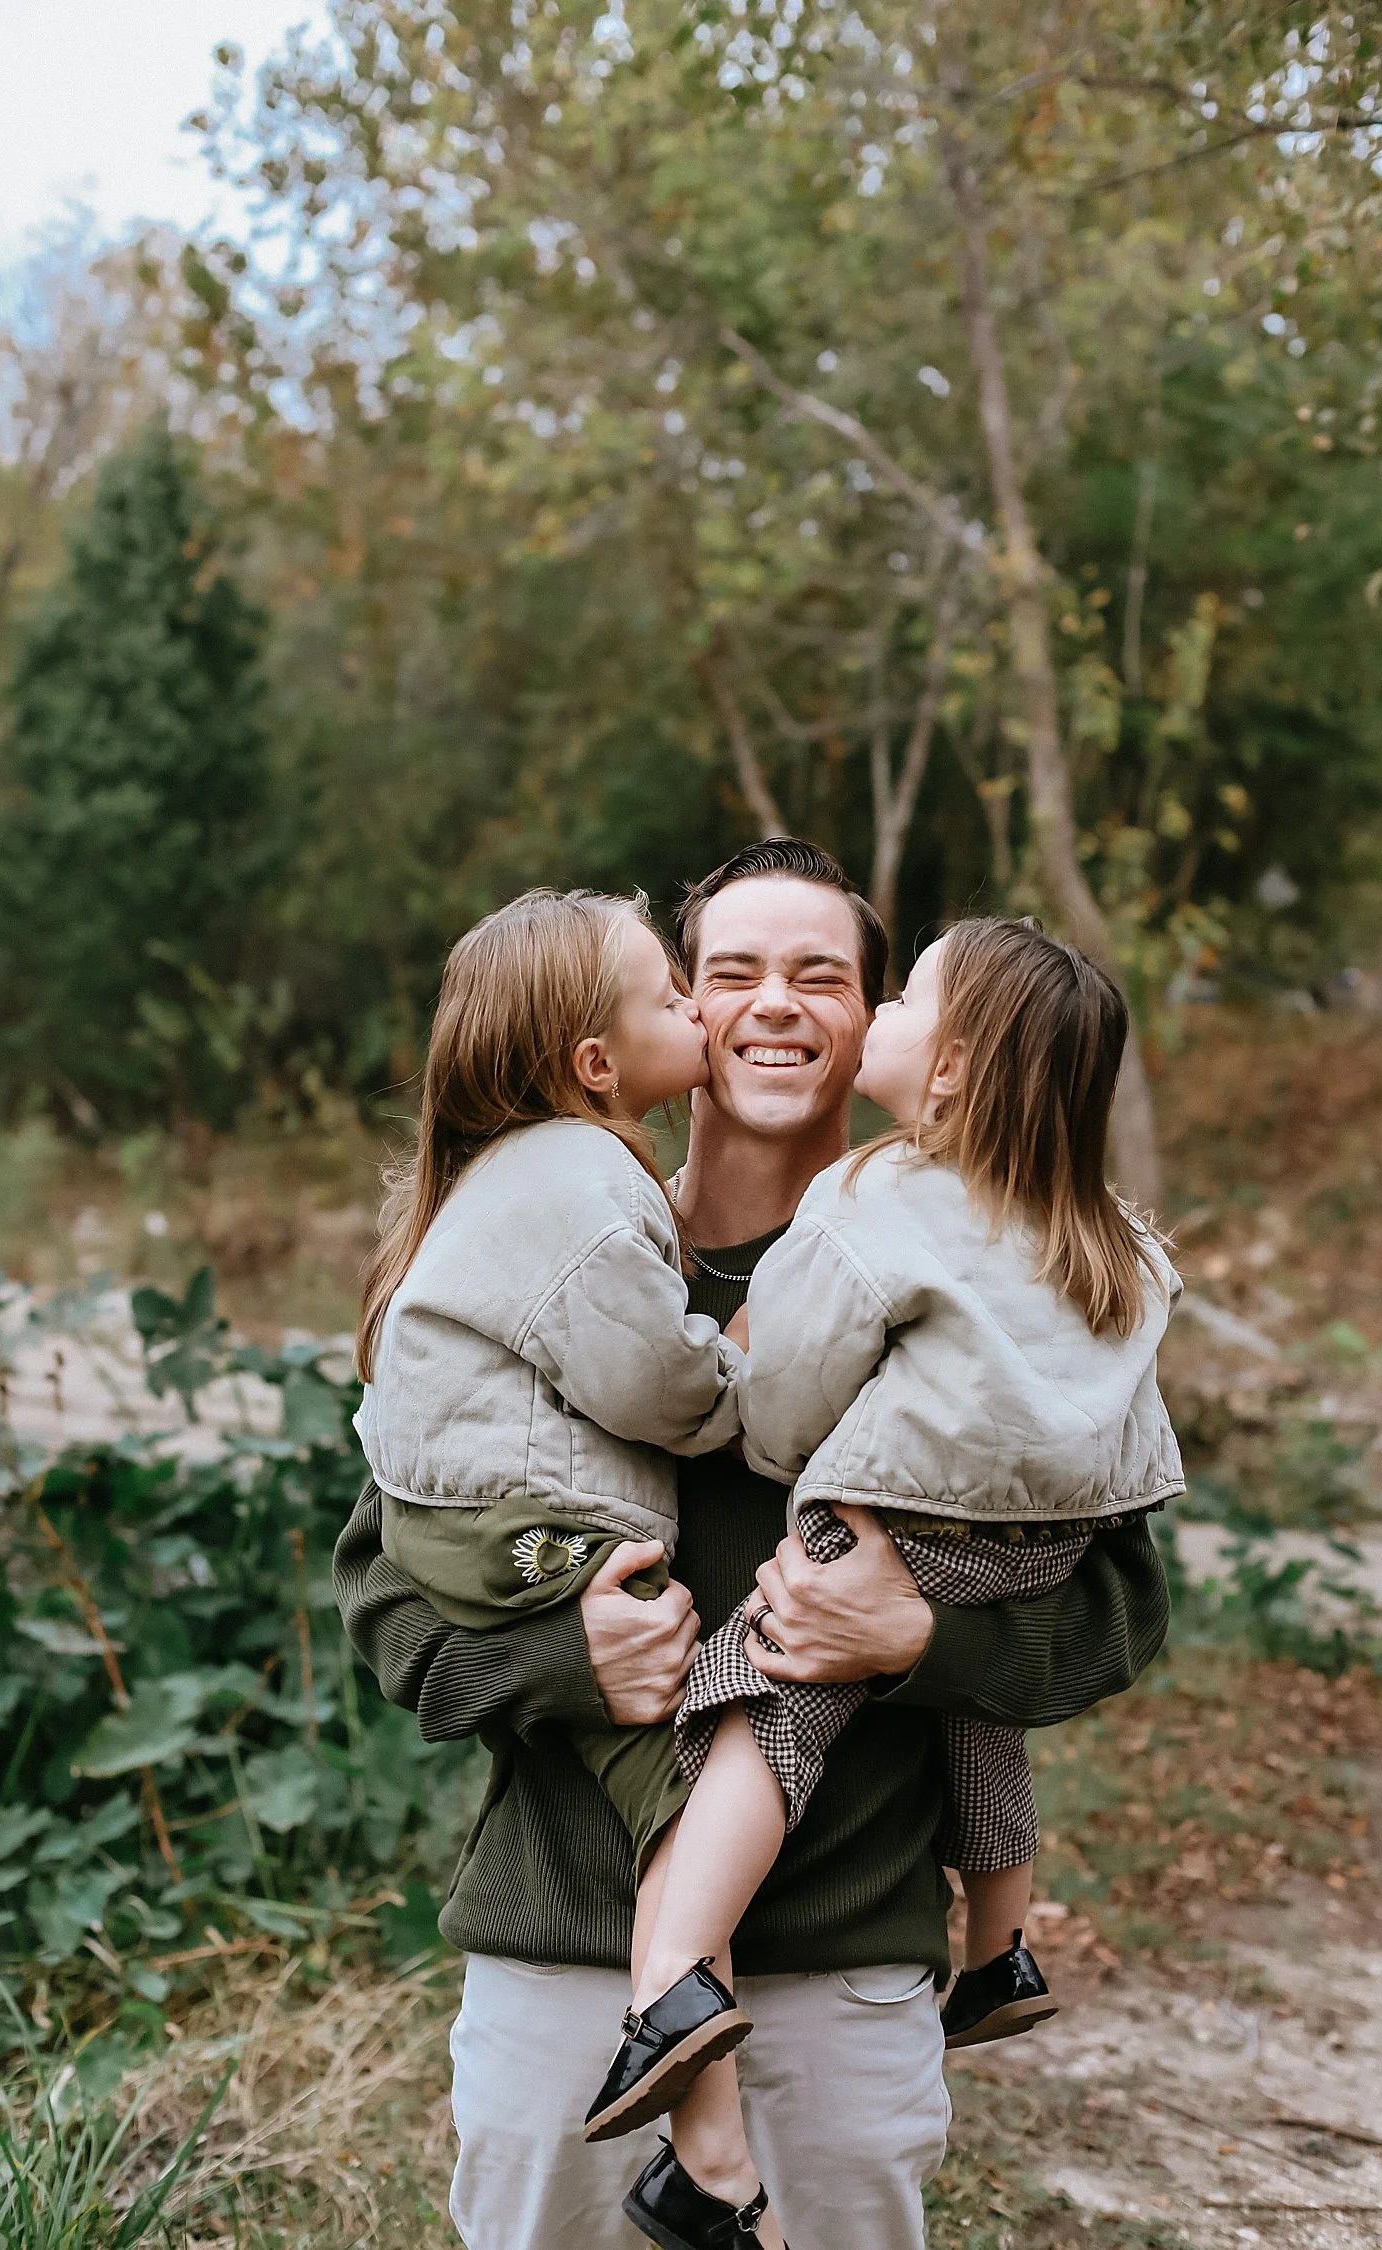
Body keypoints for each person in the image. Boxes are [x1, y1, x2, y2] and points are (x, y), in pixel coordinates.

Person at [332, 838, 1174, 2250]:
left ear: (885, 1027)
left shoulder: (998, 1269)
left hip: (843, 1978)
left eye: (823, 975)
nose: (774, 1003)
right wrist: (563, 1654)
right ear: (659, 1020)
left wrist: (924, 1638)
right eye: (729, 972)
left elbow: (1121, 1608)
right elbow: (387, 1599)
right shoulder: (552, 1261)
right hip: (566, 1969)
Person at [580, 918, 1185, 2230]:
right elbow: (1132, 1416)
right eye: (727, 972)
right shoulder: (1113, 1235)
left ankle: (679, 1965)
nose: (883, 1016)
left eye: (898, 994)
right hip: (1040, 1535)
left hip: (893, 1517)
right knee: (979, 1703)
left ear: (952, 1067)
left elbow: (791, 1391)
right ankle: (1002, 1942)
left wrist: (778, 1429)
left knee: (764, 1695)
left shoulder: (878, 1192)